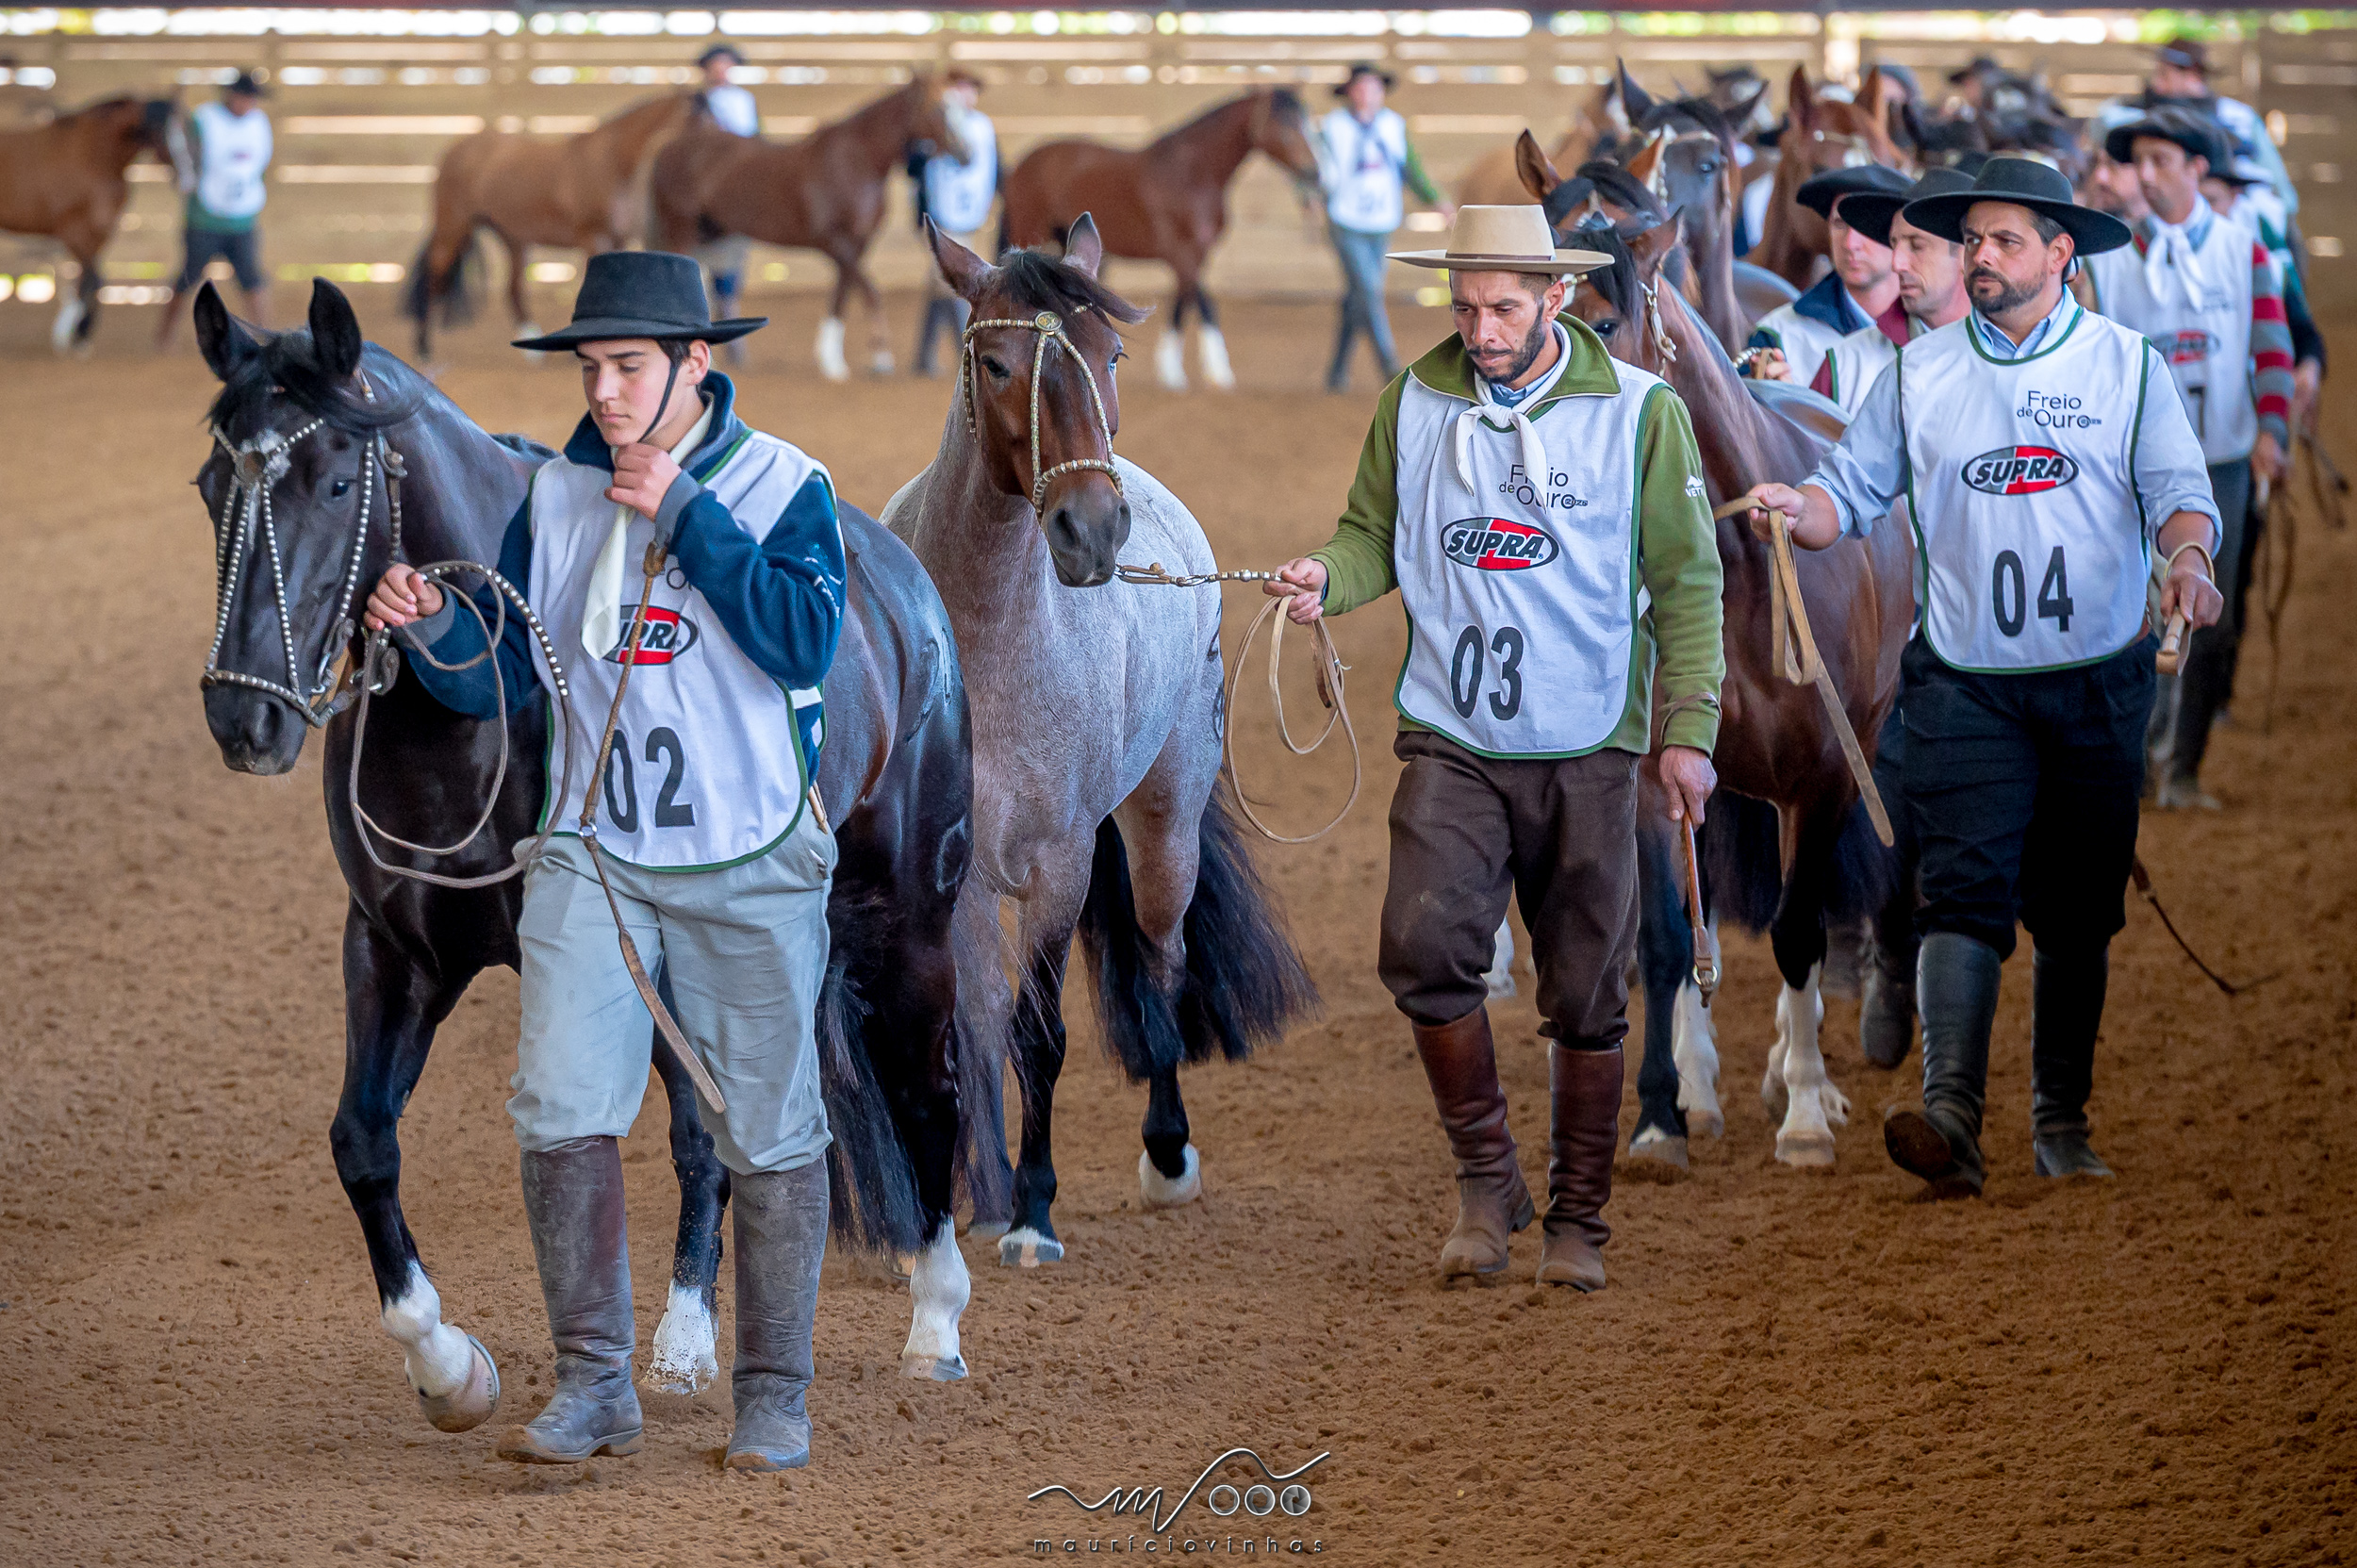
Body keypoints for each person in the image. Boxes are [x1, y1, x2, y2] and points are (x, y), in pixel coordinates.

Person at [359, 252, 846, 1472]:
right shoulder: (556, 495)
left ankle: (773, 1392)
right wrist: (430, 625)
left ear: (696, 363)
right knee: (561, 1106)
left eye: (628, 366)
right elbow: (508, 674)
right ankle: (594, 1383)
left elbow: (802, 639)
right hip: (592, 849)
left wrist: (686, 514)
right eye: (589, 368)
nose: (604, 391)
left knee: (769, 1128)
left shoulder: (786, 483)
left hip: (750, 849)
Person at [1261, 206, 1725, 1289]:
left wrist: (1688, 731)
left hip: (1590, 739)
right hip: (1452, 730)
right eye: (1465, 307)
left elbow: (1687, 580)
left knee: (1587, 989)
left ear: (1556, 297)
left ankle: (1578, 1219)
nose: (1480, 331)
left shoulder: (1641, 412)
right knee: (1423, 951)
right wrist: (1328, 576)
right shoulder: (1412, 401)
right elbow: (1372, 534)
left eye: (1504, 308)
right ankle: (1486, 1179)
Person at [1744, 158, 2224, 1197]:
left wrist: (2189, 559)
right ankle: (1951, 1116)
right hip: (1964, 679)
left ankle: (2061, 1119)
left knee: (2078, 909)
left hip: (2098, 676)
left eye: (2005, 240)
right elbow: (1848, 493)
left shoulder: (2127, 365)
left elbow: (2179, 494)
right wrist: (1794, 511)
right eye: (1972, 241)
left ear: (2060, 252)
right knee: (1959, 894)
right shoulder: (1918, 374)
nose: (1981, 258)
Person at [2084, 108, 2293, 812]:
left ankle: (2182, 767)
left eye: (2161, 160)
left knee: (2211, 613)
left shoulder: (2244, 249)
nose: (2145, 175)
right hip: (2132, 469)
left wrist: (2273, 430)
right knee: (2129, 613)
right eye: (2137, 161)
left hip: (2222, 456)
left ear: (2198, 169)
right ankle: (2139, 760)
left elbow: (2271, 345)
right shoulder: (2110, 259)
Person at [1317, 62, 1454, 393]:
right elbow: (1311, 167)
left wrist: (1436, 199)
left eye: (1373, 87)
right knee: (1370, 291)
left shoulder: (1393, 125)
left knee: (1359, 296)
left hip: (1381, 222)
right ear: (1349, 92)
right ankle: (1390, 367)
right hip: (1345, 219)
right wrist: (1308, 197)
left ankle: (1336, 372)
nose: (1367, 93)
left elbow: (1411, 169)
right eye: (1361, 86)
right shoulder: (1332, 127)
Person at [1807, 168, 1976, 417]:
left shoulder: (2018, 357)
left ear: (1967, 255)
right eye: (1894, 244)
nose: (1897, 264)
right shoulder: (1846, 363)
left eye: (1916, 246)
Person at [1743, 165, 1912, 391]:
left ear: (1901, 235)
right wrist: (1784, 405)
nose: (1850, 243)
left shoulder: (1933, 328)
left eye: (1866, 226)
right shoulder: (1779, 335)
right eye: (1839, 224)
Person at [2105, 38, 2299, 219]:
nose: (2156, 83)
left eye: (2164, 75)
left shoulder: (2238, 117)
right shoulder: (2137, 115)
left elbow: (2277, 183)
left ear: (2192, 76)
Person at [157, 71, 271, 350]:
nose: (248, 104)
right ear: (231, 95)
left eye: (252, 99)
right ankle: (165, 338)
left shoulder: (258, 123)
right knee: (187, 278)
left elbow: (259, 166)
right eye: (245, 98)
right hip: (204, 219)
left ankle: (267, 338)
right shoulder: (204, 120)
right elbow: (183, 156)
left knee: (253, 279)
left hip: (243, 218)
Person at [909, 68, 997, 376]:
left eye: (968, 88)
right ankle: (968, 353)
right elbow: (914, 168)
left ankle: (924, 357)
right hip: (940, 217)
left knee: (942, 282)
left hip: (966, 216)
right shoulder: (935, 124)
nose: (963, 94)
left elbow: (984, 166)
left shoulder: (980, 126)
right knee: (952, 281)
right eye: (958, 87)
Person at [695, 43, 760, 364]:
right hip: (701, 191)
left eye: (725, 64)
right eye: (716, 65)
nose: (721, 70)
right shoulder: (696, 104)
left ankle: (732, 334)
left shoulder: (744, 101)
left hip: (735, 189)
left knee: (731, 263)